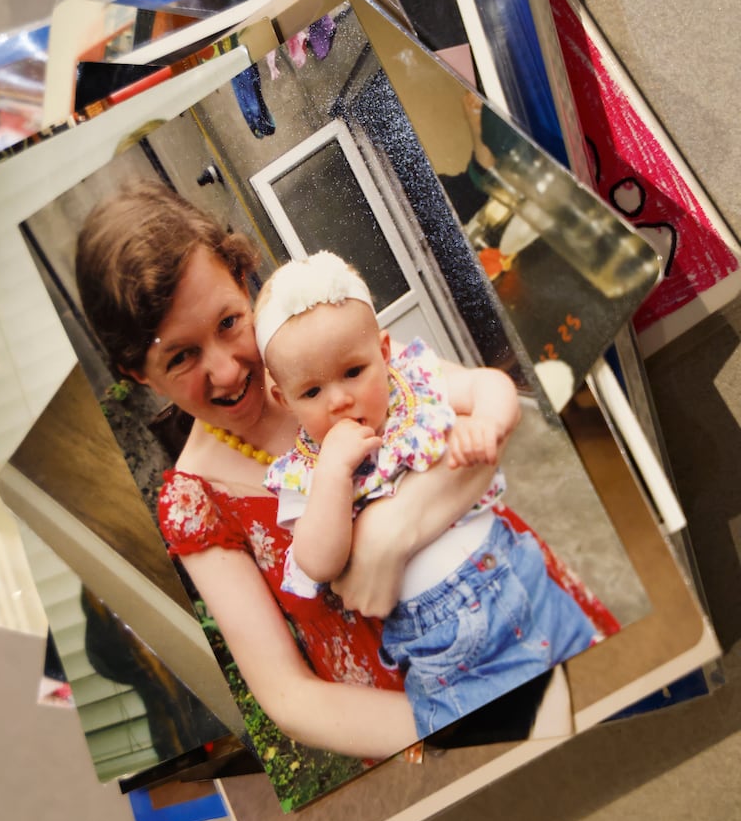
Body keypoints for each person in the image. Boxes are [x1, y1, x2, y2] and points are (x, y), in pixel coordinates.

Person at [75, 182, 507, 759]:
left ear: (243, 280)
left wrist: (388, 533)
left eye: (229, 322)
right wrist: (452, 726)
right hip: (419, 728)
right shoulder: (196, 502)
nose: (228, 371)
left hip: (513, 613)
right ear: (138, 375)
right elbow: (288, 696)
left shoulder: (328, 345)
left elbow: (481, 423)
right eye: (181, 357)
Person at [254, 251, 599, 736]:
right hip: (449, 647)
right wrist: (333, 474)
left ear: (384, 352)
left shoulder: (413, 387)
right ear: (284, 399)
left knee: (600, 694)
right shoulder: (303, 474)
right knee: (520, 742)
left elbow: (490, 384)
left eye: (353, 372)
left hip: (519, 575)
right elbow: (318, 562)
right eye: (311, 392)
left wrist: (486, 423)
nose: (339, 400)